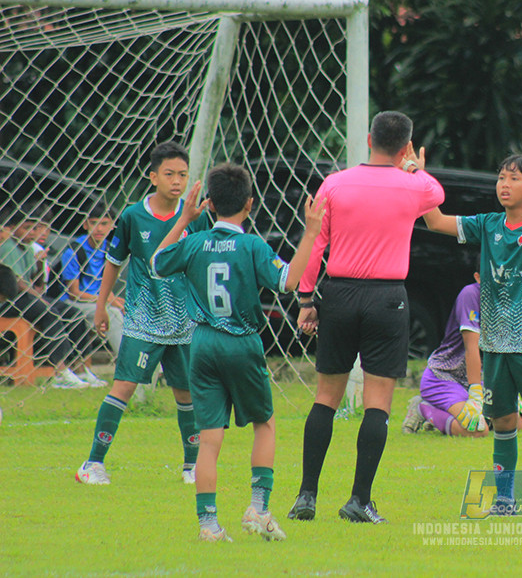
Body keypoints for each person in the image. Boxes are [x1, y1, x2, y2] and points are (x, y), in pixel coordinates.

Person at [151, 163, 326, 542]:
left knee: (209, 438)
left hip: (202, 343)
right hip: (242, 342)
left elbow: (157, 263)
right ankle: (258, 509)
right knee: (265, 423)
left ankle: (208, 525)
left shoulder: (195, 242)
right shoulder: (251, 246)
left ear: (210, 204)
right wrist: (311, 232)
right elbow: (288, 281)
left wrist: (184, 219)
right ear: (249, 203)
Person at [287, 111, 444, 524]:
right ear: (406, 146)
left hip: (339, 293)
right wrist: (414, 167)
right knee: (378, 402)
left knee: (326, 397)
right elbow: (436, 192)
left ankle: (306, 496)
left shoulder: (335, 183)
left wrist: (307, 299)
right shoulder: (413, 185)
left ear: (369, 139)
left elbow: (315, 243)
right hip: (387, 297)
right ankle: (359, 500)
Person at [423, 153, 522, 520]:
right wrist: (419, 178)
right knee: (504, 424)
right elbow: (434, 220)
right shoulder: (487, 224)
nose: (504, 185)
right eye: (501, 178)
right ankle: (504, 501)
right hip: (494, 349)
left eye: (513, 179)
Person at [76, 141, 213, 486]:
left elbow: (204, 264)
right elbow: (113, 262)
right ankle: (93, 463)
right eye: (169, 174)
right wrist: (101, 305)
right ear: (153, 177)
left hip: (184, 322)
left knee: (186, 393)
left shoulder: (196, 217)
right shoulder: (133, 216)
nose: (177, 181)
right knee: (123, 386)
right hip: (143, 320)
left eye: (182, 174)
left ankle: (192, 466)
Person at [402, 267, 522, 438]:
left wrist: (509, 386)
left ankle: (463, 414)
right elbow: (472, 347)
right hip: (445, 377)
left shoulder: (510, 298)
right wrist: (475, 394)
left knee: (518, 424)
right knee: (478, 430)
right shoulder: (470, 294)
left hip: (483, 377)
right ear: (478, 277)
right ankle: (423, 408)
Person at [0, 206, 95, 389]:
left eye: (34, 228)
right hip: (9, 301)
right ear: (12, 228)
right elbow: (16, 284)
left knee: (73, 313)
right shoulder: (8, 247)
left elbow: (36, 283)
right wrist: (39, 297)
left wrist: (39, 263)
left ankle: (80, 368)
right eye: (26, 228)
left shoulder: (28, 249)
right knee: (49, 311)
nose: (31, 233)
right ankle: (60, 371)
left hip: (27, 299)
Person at [58, 200, 125, 372]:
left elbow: (105, 288)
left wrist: (115, 301)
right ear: (85, 224)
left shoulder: (109, 250)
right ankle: (127, 365)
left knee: (129, 309)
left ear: (112, 226)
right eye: (94, 223)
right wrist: (106, 302)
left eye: (104, 224)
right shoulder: (74, 251)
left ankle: (151, 364)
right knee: (113, 315)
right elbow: (74, 293)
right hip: (73, 303)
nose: (99, 229)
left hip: (97, 301)